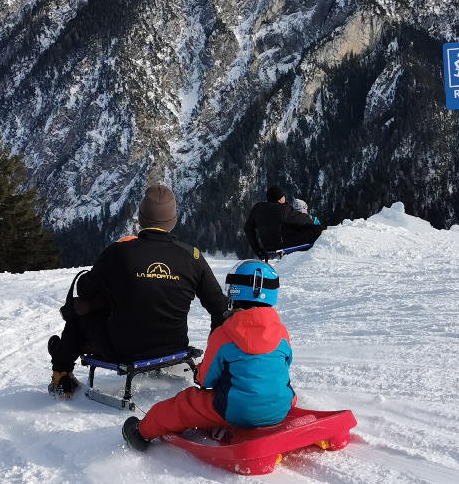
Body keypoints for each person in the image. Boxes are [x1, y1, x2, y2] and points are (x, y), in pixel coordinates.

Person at [48, 185, 229, 398]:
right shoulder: (193, 256)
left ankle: (61, 373)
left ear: (141, 218)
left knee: (79, 314)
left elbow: (86, 289)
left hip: (124, 351)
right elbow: (219, 307)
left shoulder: (118, 252)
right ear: (173, 220)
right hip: (174, 345)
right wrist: (216, 357)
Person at [121, 260, 295, 451]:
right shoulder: (282, 332)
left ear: (233, 292)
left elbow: (207, 380)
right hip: (281, 407)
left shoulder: (224, 333)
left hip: (236, 410)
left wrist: (198, 373)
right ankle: (272, 405)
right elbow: (283, 365)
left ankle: (141, 432)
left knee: (184, 404)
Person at [243, 185, 324, 259]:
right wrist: (312, 221)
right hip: (284, 244)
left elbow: (248, 229)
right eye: (283, 196)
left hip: (267, 246)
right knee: (318, 229)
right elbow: (304, 220)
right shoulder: (284, 209)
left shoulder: (257, 209)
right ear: (280, 199)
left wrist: (258, 250)